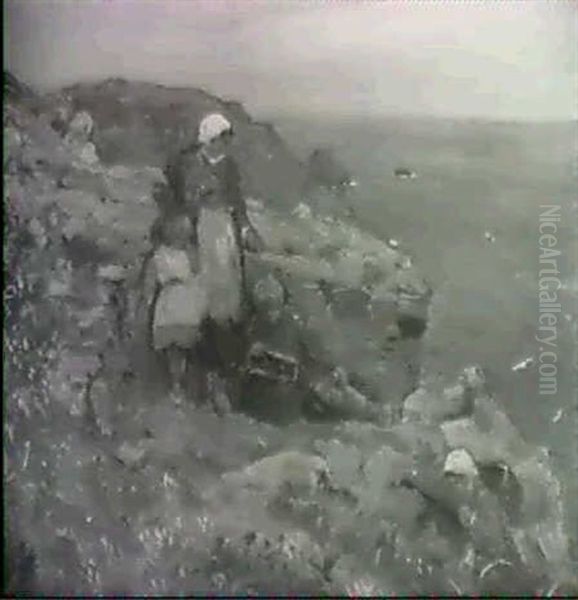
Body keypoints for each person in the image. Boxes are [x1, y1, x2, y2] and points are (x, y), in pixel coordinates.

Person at [151, 113, 263, 407]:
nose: (225, 144)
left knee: (226, 303)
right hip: (199, 231)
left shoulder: (228, 166)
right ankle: (194, 375)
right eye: (220, 138)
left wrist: (246, 229)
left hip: (223, 232)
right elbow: (181, 197)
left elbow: (237, 203)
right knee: (198, 298)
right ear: (209, 139)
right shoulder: (191, 163)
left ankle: (221, 374)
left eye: (227, 138)